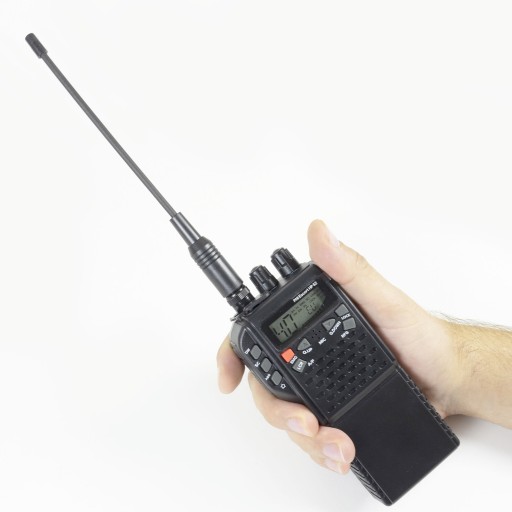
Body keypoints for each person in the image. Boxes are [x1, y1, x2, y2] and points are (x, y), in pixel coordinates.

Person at [217, 219, 512, 475]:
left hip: (381, 373)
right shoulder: (249, 331)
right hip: (336, 403)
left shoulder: (311, 282)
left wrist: (458, 367)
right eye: (285, 327)